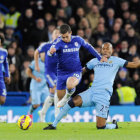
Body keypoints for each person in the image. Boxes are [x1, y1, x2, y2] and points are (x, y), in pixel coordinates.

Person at [43, 42, 140, 130]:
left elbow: (135, 65)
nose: (105, 50)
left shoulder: (117, 61)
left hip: (104, 95)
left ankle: (114, 125)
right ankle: (53, 125)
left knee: (100, 127)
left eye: (108, 48)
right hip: (92, 92)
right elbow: (83, 70)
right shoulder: (95, 61)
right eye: (104, 49)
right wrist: (73, 76)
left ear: (112, 50)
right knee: (72, 102)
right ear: (101, 50)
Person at [48, 24, 107, 109]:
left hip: (75, 71)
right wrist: (51, 52)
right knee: (60, 97)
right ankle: (66, 102)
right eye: (63, 37)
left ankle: (67, 96)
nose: (65, 39)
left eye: (66, 37)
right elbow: (50, 53)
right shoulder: (58, 42)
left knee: (70, 84)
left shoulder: (78, 39)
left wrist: (99, 57)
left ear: (70, 32)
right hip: (61, 73)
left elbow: (89, 47)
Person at [34, 28, 60, 122]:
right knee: (56, 88)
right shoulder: (46, 45)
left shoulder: (62, 46)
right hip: (49, 72)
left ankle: (42, 112)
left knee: (53, 93)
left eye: (59, 33)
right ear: (52, 35)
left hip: (58, 72)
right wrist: (37, 65)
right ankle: (57, 114)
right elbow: (36, 52)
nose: (57, 34)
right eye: (55, 33)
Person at [26, 53, 49, 120]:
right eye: (43, 53)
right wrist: (35, 78)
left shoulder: (49, 62)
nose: (44, 55)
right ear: (40, 54)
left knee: (47, 103)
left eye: (46, 53)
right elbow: (28, 72)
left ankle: (41, 119)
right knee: (36, 105)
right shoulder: (35, 62)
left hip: (44, 86)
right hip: (35, 86)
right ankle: (30, 112)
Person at [0, 33, 10, 122]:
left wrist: (7, 75)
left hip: (1, 78)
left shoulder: (4, 52)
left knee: (2, 100)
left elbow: (6, 64)